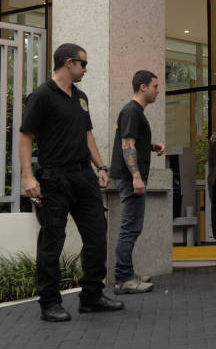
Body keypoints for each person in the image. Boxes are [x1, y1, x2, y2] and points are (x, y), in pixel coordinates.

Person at [20, 43, 124, 322]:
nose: (86, 69)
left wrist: (100, 166)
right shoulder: (41, 96)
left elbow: (87, 134)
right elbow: (25, 136)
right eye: (83, 63)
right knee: (52, 242)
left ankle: (91, 296)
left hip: (84, 177)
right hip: (55, 177)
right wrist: (28, 176)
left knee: (96, 237)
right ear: (68, 63)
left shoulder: (80, 97)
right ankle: (49, 304)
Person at [111, 70, 164, 294]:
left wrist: (151, 146)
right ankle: (124, 278)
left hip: (129, 176)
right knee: (130, 228)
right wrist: (136, 176)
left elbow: (133, 141)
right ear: (143, 87)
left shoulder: (134, 112)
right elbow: (127, 144)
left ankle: (127, 273)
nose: (157, 91)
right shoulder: (132, 111)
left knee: (132, 227)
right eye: (155, 86)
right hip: (129, 177)